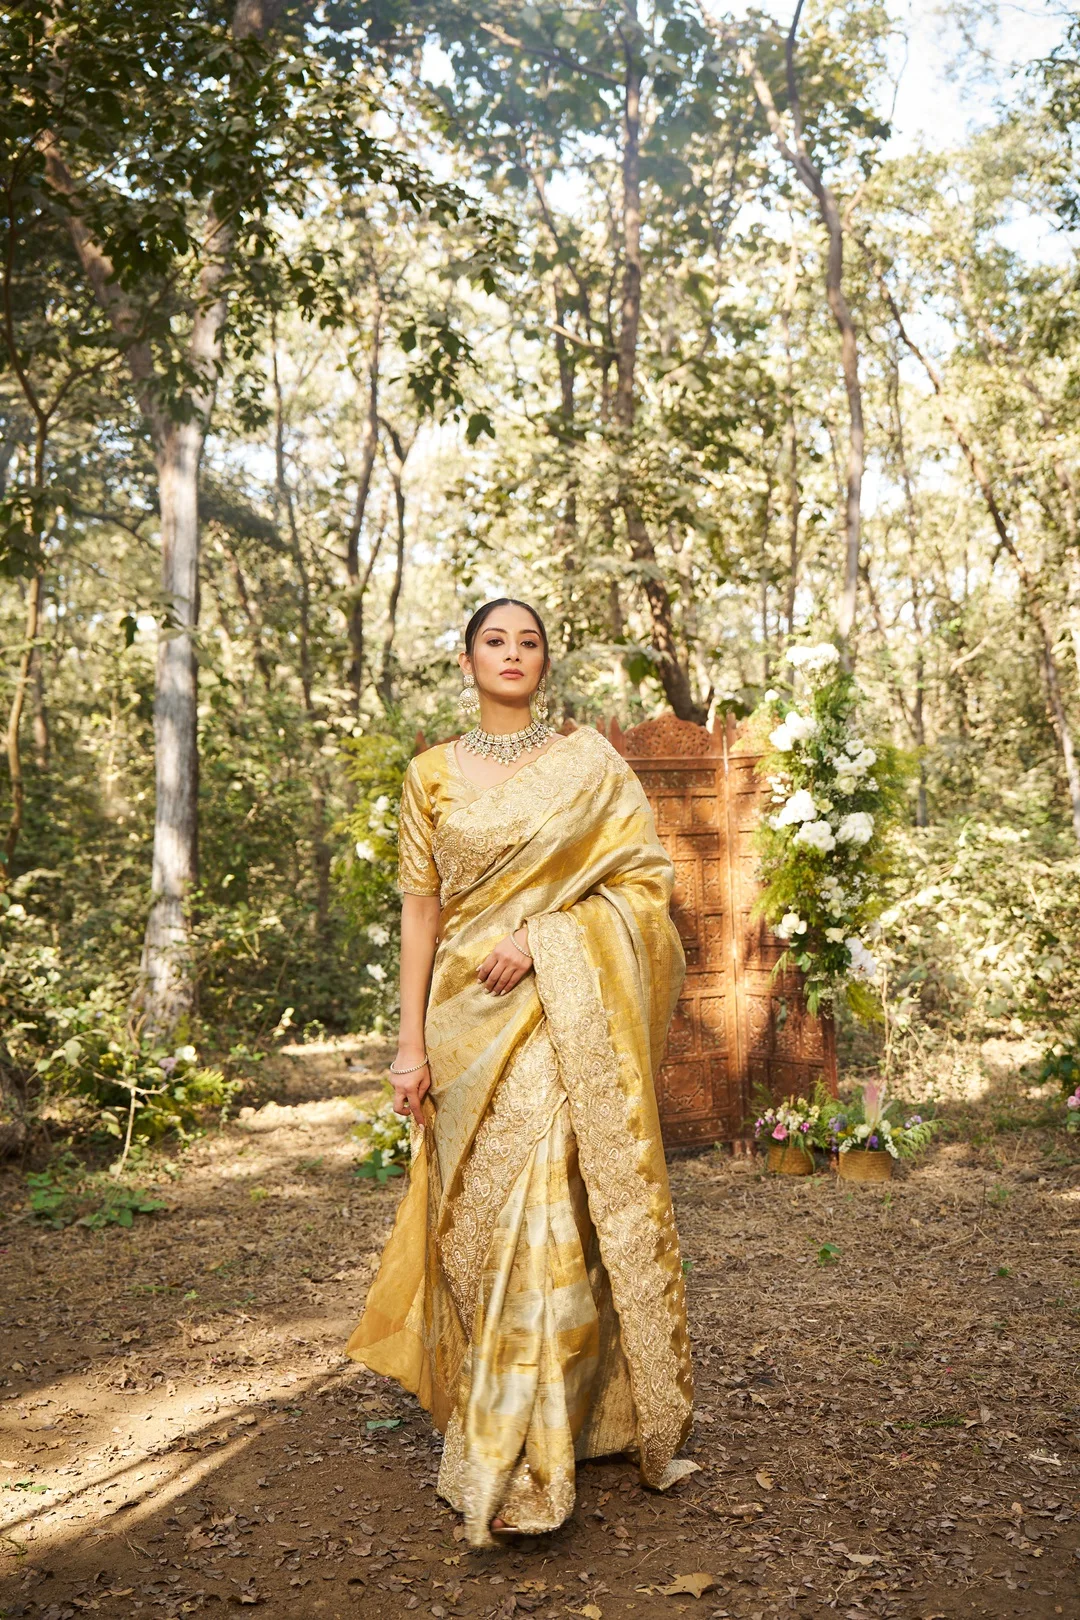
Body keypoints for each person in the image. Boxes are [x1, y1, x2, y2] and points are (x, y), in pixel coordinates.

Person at [346, 597, 694, 1547]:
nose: (512, 654)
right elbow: (421, 914)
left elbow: (645, 886)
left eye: (528, 642)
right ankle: (550, 1413)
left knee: (543, 1218)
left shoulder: (591, 765)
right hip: (463, 1022)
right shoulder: (428, 776)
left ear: (545, 662)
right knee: (478, 1225)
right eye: (494, 642)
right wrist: (410, 1045)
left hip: (556, 1013)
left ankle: (522, 1454)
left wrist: (546, 936)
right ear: (466, 661)